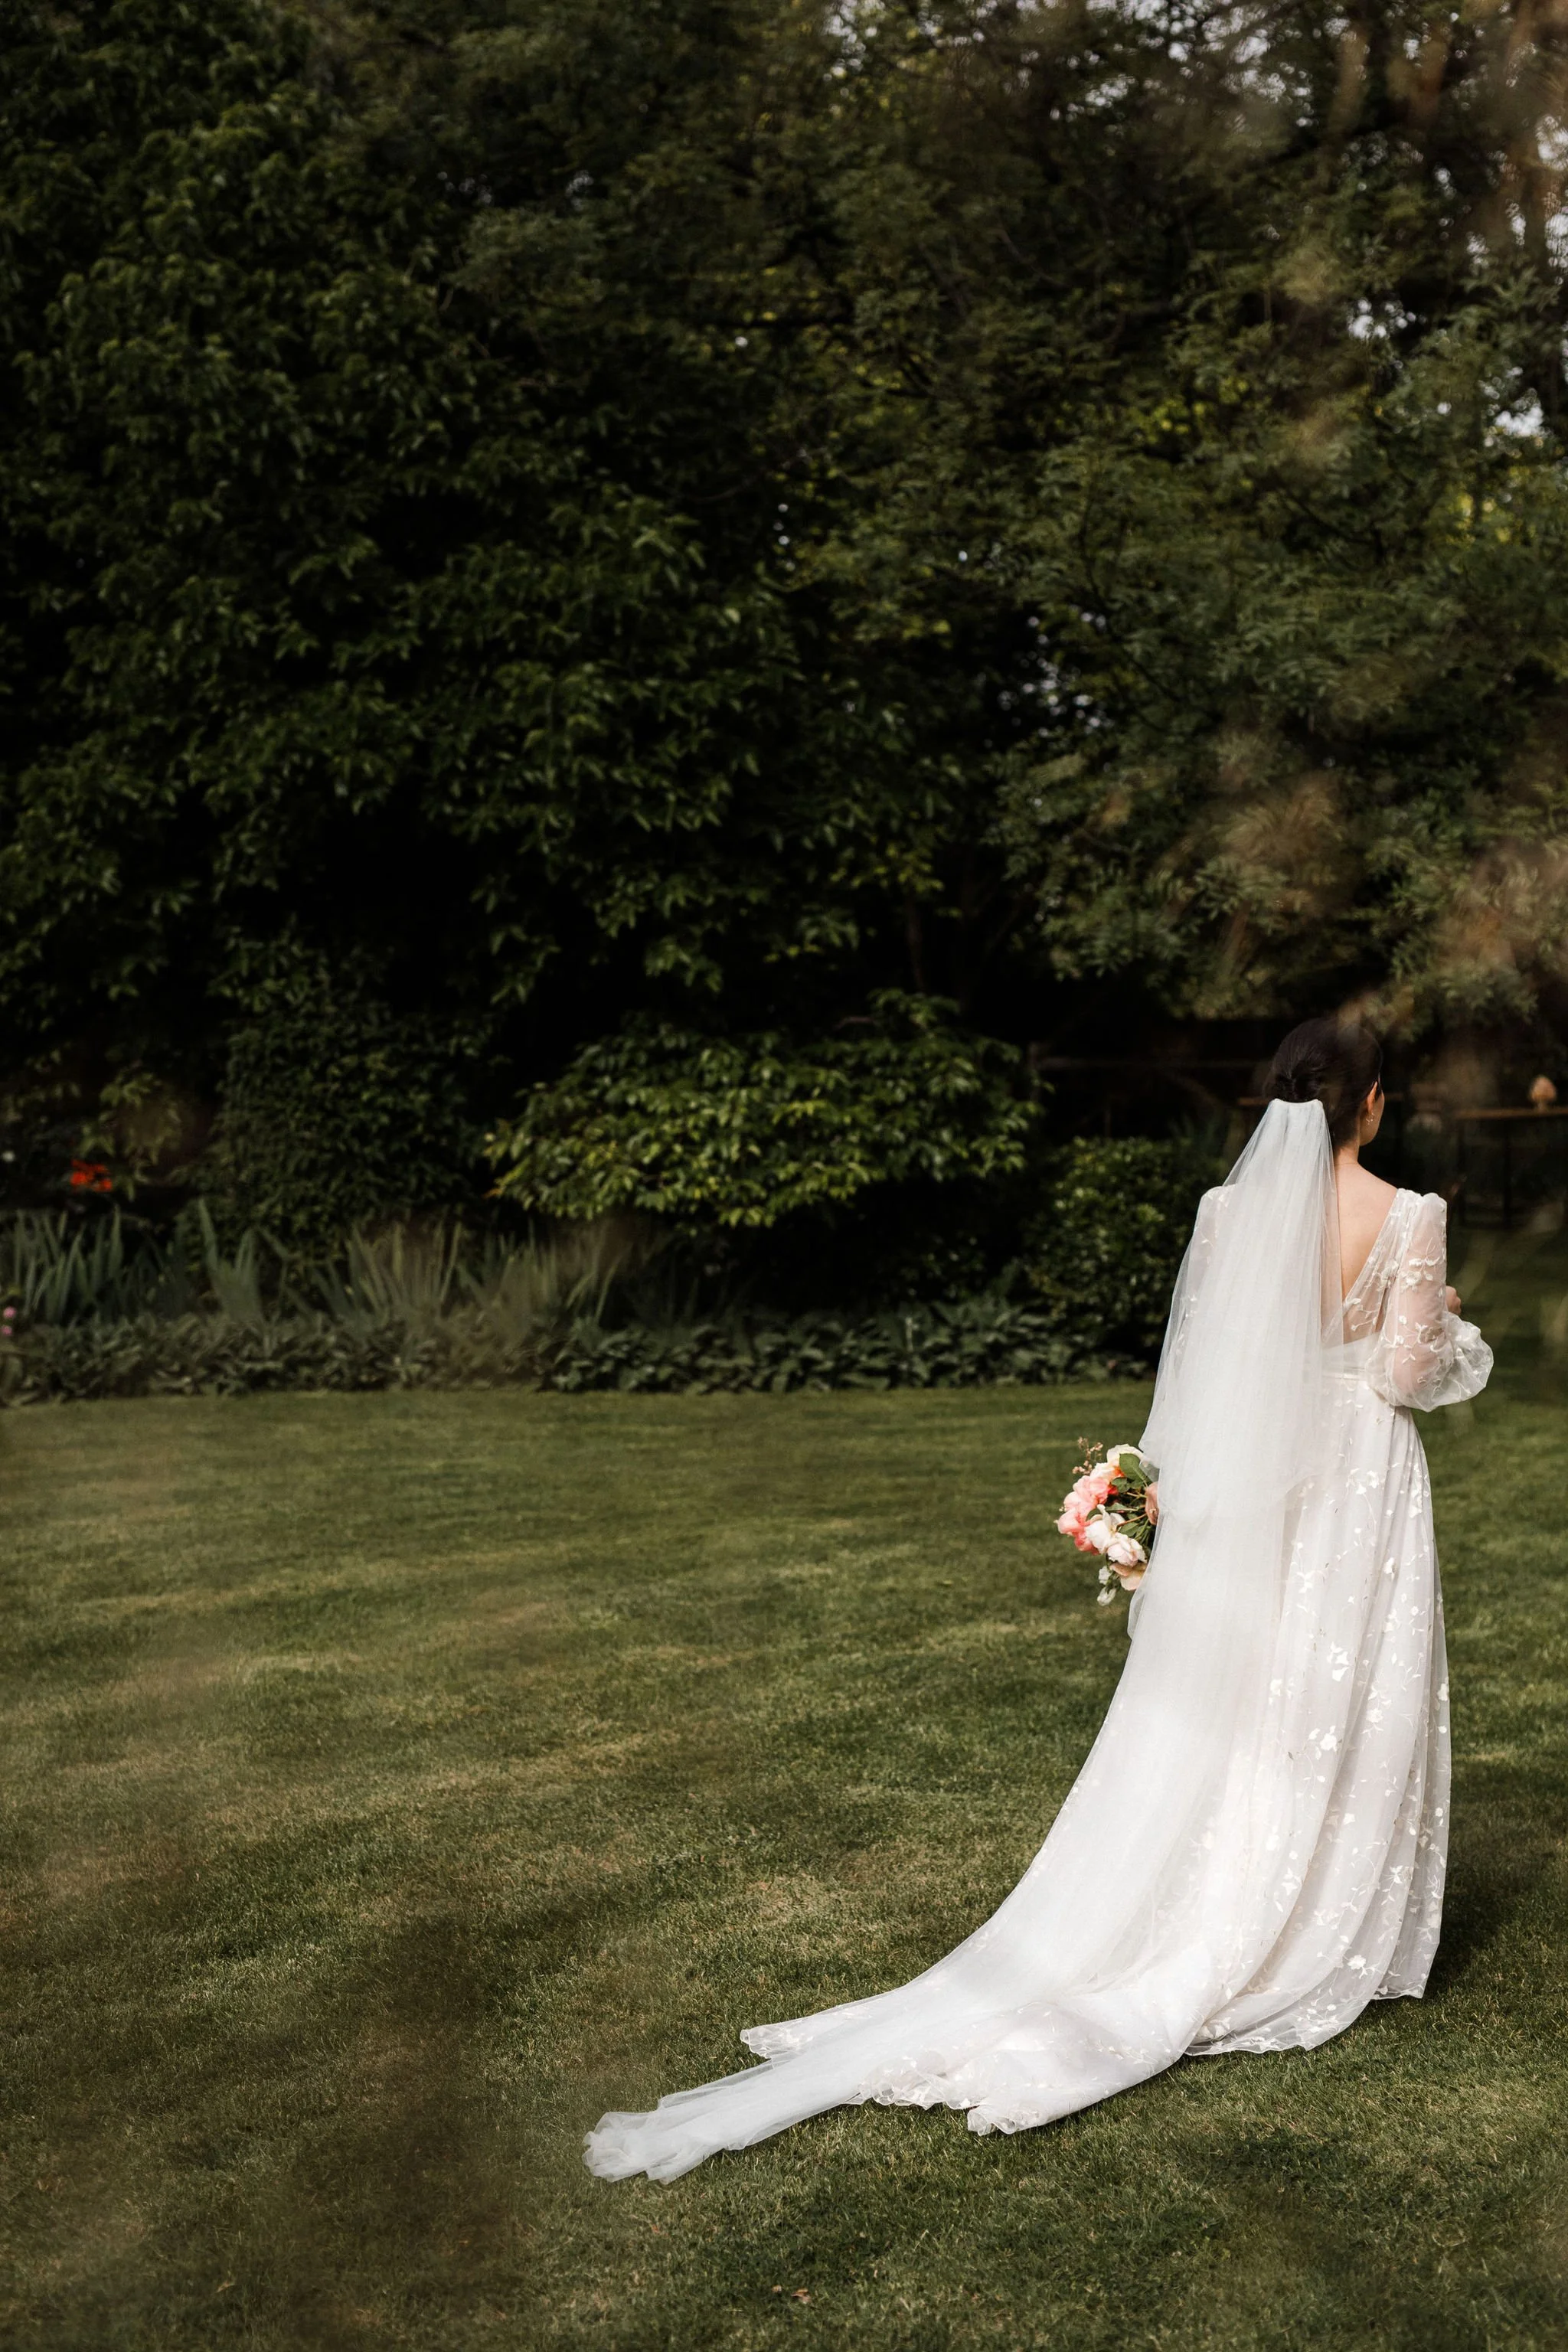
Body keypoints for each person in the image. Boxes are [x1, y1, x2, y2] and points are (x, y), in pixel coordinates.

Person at [585, 1018, 1491, 2182]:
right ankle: (1300, 1910)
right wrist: (1449, 1314)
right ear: (1372, 1104)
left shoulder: (1227, 1215)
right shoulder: (1411, 1216)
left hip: (1257, 1479)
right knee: (1329, 1680)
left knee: (1243, 1688)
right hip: (1358, 1480)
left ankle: (1213, 1892)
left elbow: (1206, 1365)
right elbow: (1413, 1375)